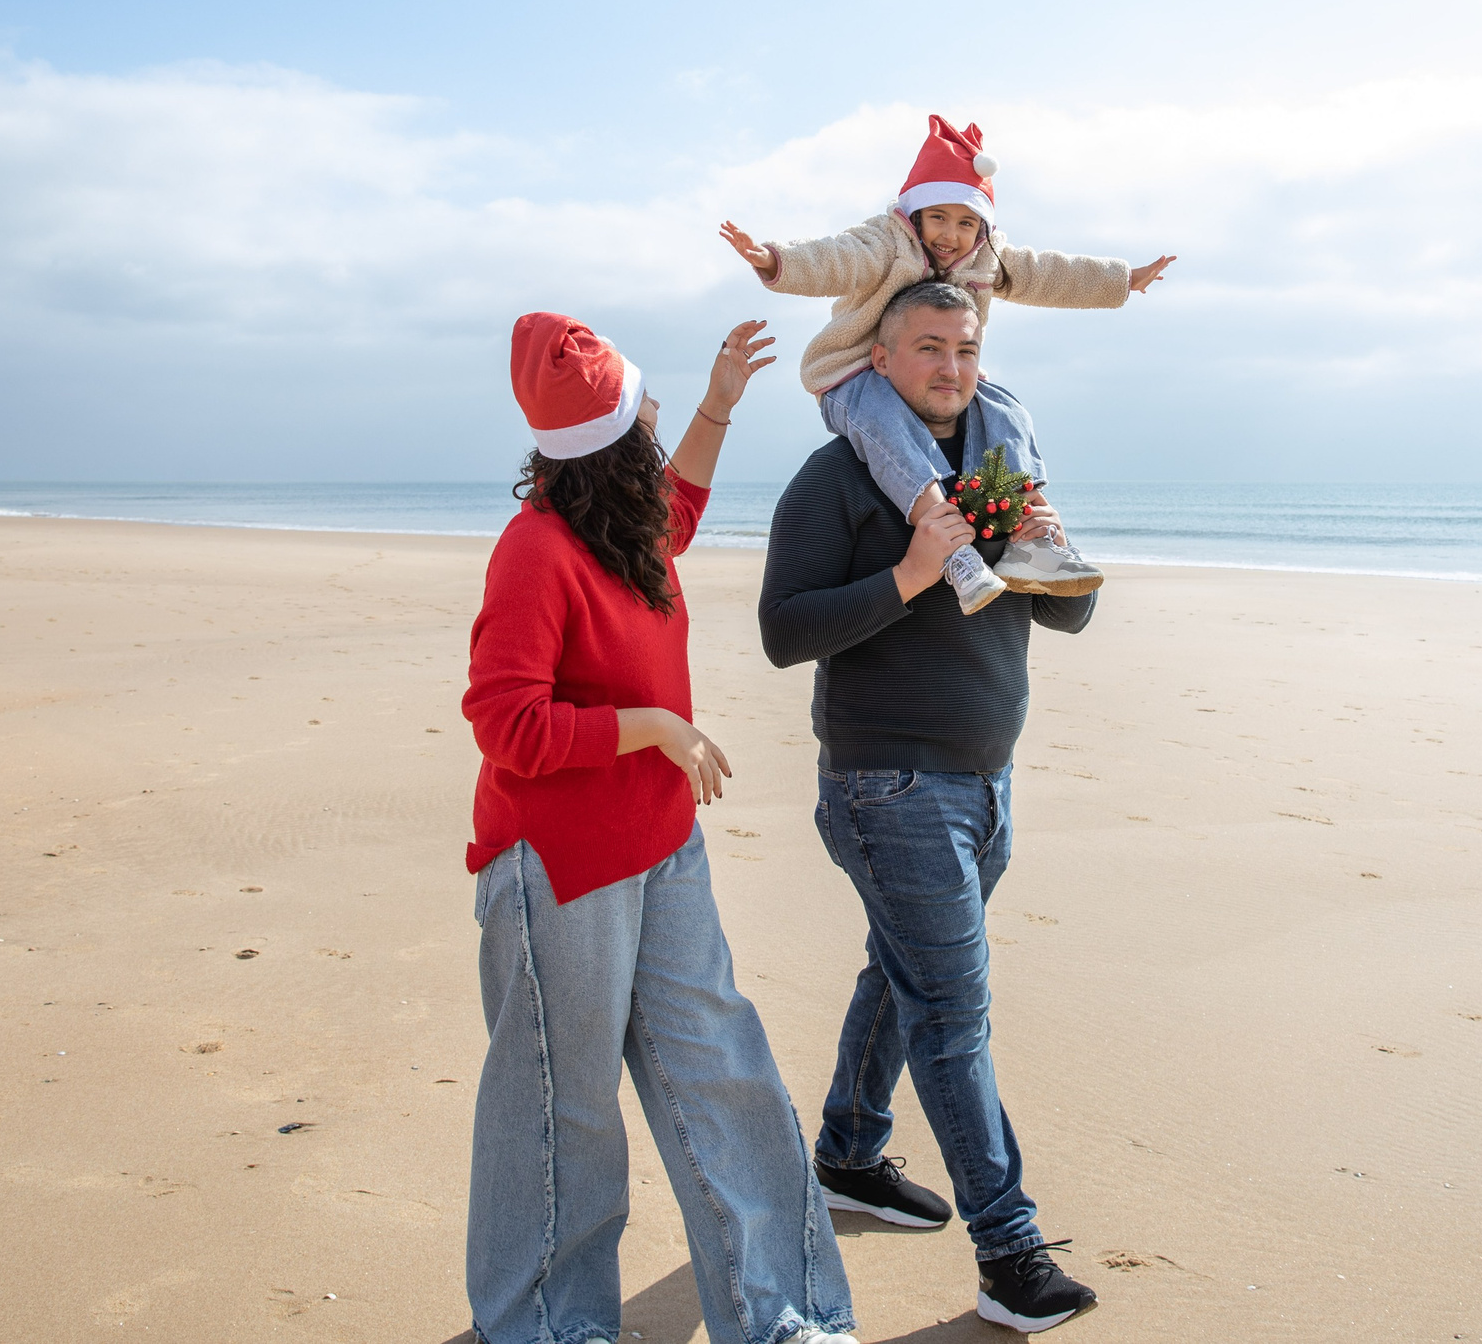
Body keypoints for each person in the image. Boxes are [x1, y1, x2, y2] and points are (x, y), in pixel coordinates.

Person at [462, 312, 856, 1344]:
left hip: (661, 844)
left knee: (721, 1072)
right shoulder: (535, 552)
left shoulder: (621, 524)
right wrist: (651, 726)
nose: (656, 420)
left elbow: (673, 511)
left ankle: (784, 1314)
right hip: (559, 866)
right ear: (609, 449)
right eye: (647, 411)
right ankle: (552, 1325)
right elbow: (505, 721)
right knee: (563, 1107)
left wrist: (722, 398)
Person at [756, 280, 1104, 1334]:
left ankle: (849, 1152)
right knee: (952, 1010)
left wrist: (1047, 539)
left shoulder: (1000, 464)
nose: (949, 366)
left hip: (987, 773)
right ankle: (1009, 1249)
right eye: (925, 347)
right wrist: (911, 573)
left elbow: (1075, 612)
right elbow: (782, 628)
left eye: (963, 346)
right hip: (887, 781)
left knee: (902, 971)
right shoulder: (840, 476)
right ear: (879, 358)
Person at [720, 113, 1174, 615]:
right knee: (887, 426)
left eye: (966, 223)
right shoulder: (886, 243)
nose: (950, 235)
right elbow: (837, 258)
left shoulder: (988, 258)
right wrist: (775, 261)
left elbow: (1048, 273)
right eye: (938, 217)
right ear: (914, 215)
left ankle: (1033, 540)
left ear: (982, 227)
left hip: (942, 384)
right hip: (853, 374)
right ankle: (955, 552)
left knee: (1007, 410)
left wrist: (1121, 280)